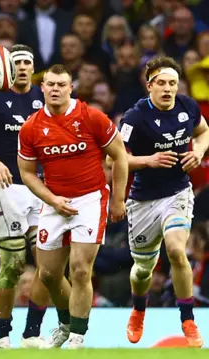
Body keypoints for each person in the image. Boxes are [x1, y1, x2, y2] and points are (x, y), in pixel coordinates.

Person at [0, 44, 71, 349]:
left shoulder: (45, 98)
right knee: (12, 265)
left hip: (41, 189)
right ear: (6, 66)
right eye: (17, 62)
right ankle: (1, 334)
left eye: (27, 63)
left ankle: (36, 331)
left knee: (48, 266)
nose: (22, 67)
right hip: (4, 189)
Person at [17, 64, 128, 348]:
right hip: (54, 203)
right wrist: (52, 200)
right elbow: (27, 173)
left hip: (90, 199)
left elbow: (119, 156)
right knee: (49, 275)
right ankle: (66, 324)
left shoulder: (91, 117)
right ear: (41, 88)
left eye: (61, 84)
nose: (55, 89)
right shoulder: (31, 127)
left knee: (79, 269)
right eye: (50, 84)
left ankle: (78, 336)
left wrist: (117, 199)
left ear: (71, 88)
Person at [120, 56, 207, 348]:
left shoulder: (188, 107)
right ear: (150, 86)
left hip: (178, 193)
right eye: (161, 83)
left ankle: (188, 319)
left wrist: (198, 151)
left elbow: (204, 131)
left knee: (176, 251)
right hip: (143, 200)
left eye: (172, 82)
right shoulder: (134, 117)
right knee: (143, 269)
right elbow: (118, 160)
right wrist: (149, 160)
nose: (168, 88)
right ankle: (139, 309)